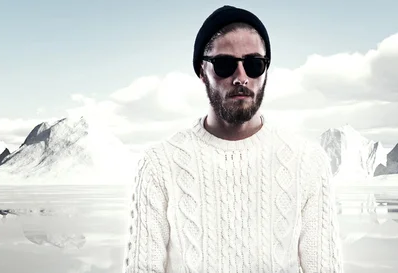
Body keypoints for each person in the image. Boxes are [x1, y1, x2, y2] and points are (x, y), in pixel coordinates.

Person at [123, 5, 343, 273]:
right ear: (202, 72)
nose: (241, 77)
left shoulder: (308, 162)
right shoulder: (159, 165)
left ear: (266, 71)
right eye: (225, 65)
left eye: (254, 65)